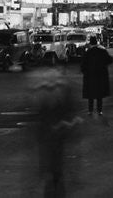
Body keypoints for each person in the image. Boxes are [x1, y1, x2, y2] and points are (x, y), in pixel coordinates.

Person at [33, 66, 80, 197]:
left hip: (49, 133)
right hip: (57, 132)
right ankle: (55, 180)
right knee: (56, 161)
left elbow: (39, 113)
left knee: (51, 160)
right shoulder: (63, 90)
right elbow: (69, 110)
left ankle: (51, 179)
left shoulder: (41, 92)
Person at [80, 34, 113, 117]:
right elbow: (110, 60)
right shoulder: (102, 51)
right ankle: (100, 111)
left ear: (90, 43)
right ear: (97, 42)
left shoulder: (88, 53)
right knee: (99, 95)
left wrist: (85, 72)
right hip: (100, 76)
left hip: (90, 76)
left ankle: (90, 111)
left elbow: (83, 65)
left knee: (90, 95)